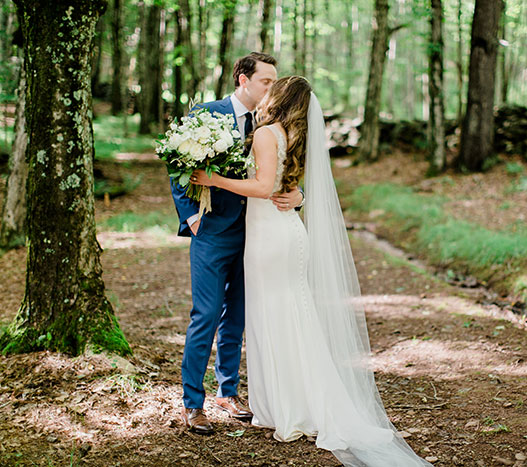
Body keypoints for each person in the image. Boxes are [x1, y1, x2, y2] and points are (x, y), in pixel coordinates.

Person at [191, 76, 431, 466]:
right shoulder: (290, 134)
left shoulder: (268, 132)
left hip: (271, 237)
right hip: (284, 233)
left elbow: (264, 185)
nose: (266, 92)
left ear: (281, 97)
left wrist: (213, 179)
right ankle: (289, 404)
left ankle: (291, 409)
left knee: (277, 317)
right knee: (289, 316)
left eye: (273, 88)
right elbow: (286, 183)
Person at [169, 52, 303, 435]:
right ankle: (193, 403)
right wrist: (190, 217)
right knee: (206, 316)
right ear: (242, 80)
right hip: (212, 232)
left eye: (275, 82)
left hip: (259, 234)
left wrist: (300, 197)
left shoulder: (273, 122)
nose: (272, 88)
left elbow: (284, 169)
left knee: (238, 319)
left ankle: (228, 393)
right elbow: (175, 164)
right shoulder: (206, 115)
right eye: (265, 81)